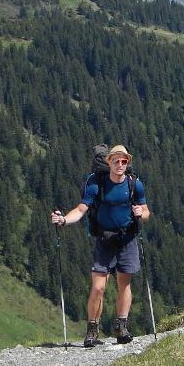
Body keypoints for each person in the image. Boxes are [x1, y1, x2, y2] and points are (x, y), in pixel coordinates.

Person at [51, 144, 150, 347]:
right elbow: (81, 209)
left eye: (124, 161)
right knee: (98, 287)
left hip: (127, 238)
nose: (120, 165)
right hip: (103, 240)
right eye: (116, 161)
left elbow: (146, 211)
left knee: (124, 284)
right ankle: (92, 329)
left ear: (127, 162)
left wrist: (142, 213)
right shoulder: (97, 184)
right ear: (109, 162)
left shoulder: (134, 184)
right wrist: (63, 220)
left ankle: (121, 327)